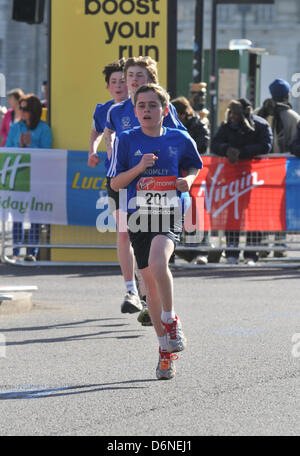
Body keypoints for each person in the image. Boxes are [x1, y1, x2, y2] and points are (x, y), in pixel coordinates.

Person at [111, 83, 203, 380]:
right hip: (139, 217)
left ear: (165, 111)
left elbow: (193, 166)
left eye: (153, 105)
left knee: (158, 262)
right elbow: (115, 183)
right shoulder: (126, 140)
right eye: (141, 106)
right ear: (134, 110)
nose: (147, 110)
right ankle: (165, 350)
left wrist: (188, 180)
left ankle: (170, 318)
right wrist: (139, 168)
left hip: (169, 212)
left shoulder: (179, 138)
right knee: (148, 282)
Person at [104, 56, 186, 325]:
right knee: (125, 231)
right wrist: (108, 151)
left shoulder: (161, 107)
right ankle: (132, 291)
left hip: (156, 183)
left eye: (140, 76)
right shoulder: (115, 111)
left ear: (150, 79)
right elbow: (107, 136)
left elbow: (178, 139)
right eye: (130, 75)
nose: (134, 80)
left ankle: (151, 296)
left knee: (155, 248)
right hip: (125, 179)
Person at [211, 98, 273, 265]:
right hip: (233, 179)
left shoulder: (260, 125)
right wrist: (226, 149)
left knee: (255, 214)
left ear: (244, 113)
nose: (233, 116)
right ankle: (232, 252)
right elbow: (214, 144)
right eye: (231, 113)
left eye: (236, 113)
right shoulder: (226, 126)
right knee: (233, 213)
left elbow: (266, 145)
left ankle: (251, 254)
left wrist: (242, 152)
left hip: (255, 177)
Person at [255, 78, 300, 257]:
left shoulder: (260, 113)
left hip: (261, 169)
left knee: (263, 207)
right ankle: (279, 244)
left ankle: (263, 245)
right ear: (287, 94)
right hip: (284, 171)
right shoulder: (293, 117)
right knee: (282, 208)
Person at [6, 94, 52, 261]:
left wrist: (30, 145)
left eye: (25, 109)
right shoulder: (15, 127)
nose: (22, 112)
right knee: (17, 215)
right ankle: (16, 251)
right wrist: (19, 145)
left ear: (33, 111)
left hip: (38, 178)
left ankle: (32, 252)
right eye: (21, 108)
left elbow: (47, 151)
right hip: (19, 178)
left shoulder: (44, 129)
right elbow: (7, 148)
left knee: (35, 216)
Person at [171, 96, 210, 264]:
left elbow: (202, 145)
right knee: (178, 211)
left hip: (195, 174)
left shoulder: (198, 125)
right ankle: (180, 252)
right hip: (178, 174)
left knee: (197, 210)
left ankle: (201, 251)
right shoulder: (174, 125)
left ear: (182, 114)